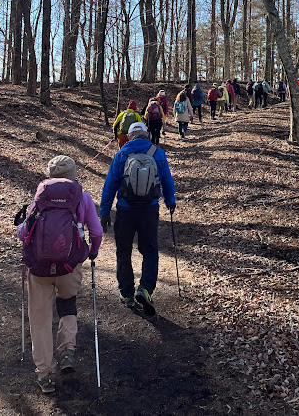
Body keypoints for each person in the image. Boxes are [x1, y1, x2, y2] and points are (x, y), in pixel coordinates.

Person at [15, 156, 103, 394]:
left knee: (40, 320)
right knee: (67, 305)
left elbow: (23, 234)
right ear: (74, 174)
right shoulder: (82, 198)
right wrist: (91, 253)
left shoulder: (40, 198)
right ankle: (67, 351)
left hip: (40, 270)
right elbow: (97, 231)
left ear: (49, 174)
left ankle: (45, 374)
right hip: (69, 267)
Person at [99, 122, 177, 316]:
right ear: (146, 134)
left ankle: (127, 293)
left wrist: (104, 211)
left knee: (123, 251)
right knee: (150, 250)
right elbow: (166, 179)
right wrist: (170, 200)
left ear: (130, 136)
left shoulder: (121, 154)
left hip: (126, 209)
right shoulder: (157, 153)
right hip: (149, 210)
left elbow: (110, 184)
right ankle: (145, 288)